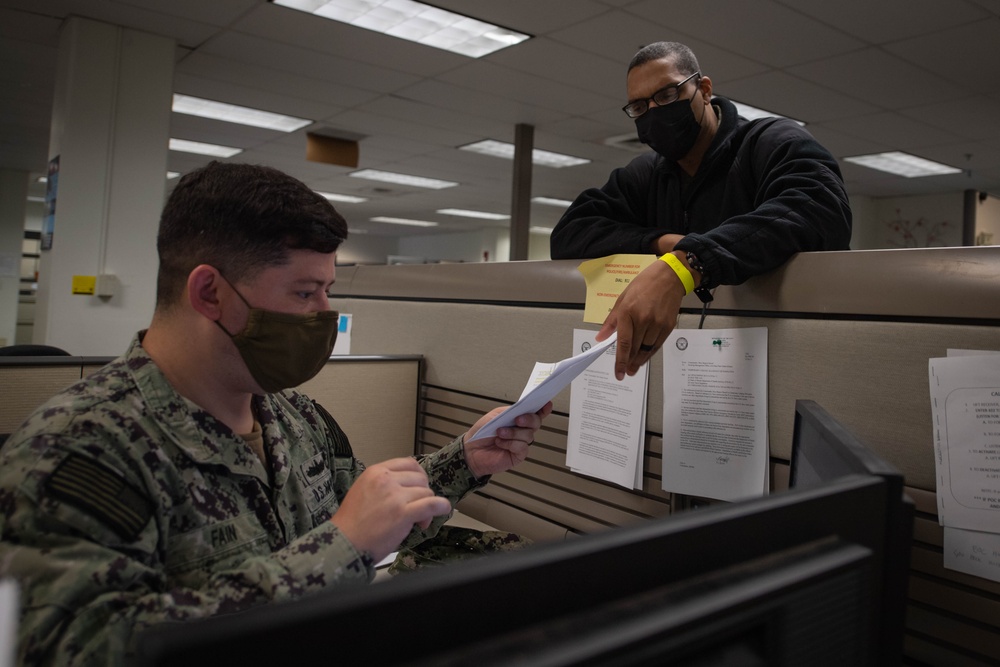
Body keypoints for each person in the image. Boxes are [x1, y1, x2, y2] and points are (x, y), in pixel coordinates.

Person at [0, 161, 552, 666]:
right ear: (210, 293)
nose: (326, 315)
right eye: (306, 292)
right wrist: (340, 551)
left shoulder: (295, 417)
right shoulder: (79, 447)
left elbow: (371, 514)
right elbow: (80, 648)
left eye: (328, 291)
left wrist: (464, 462)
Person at [551, 41, 852, 380]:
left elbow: (820, 210)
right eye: (639, 106)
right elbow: (569, 234)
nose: (654, 112)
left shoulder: (771, 142)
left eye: (666, 96)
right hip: (687, 369)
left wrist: (687, 264)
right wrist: (662, 242)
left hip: (788, 359)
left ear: (704, 90)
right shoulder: (647, 174)